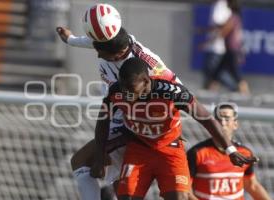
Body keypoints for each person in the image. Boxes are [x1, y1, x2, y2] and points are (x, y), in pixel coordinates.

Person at [92, 57, 257, 200]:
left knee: (179, 197)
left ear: (146, 81)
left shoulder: (172, 92)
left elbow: (206, 118)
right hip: (138, 149)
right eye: (123, 88)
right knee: (126, 197)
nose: (126, 93)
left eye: (131, 88)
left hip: (169, 150)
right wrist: (99, 156)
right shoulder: (116, 92)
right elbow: (103, 120)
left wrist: (230, 149)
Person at [56, 26, 178, 200]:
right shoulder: (114, 45)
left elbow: (177, 90)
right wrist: (70, 39)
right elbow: (93, 43)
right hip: (121, 119)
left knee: (81, 161)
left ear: (118, 54)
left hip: (137, 127)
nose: (98, 55)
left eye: (101, 52)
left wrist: (148, 119)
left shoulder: (147, 64)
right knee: (119, 187)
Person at [187, 103, 271, 200]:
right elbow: (186, 190)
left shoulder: (245, 153)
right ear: (212, 124)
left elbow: (252, 186)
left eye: (226, 119)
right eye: (218, 119)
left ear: (235, 124)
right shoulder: (197, 153)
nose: (222, 122)